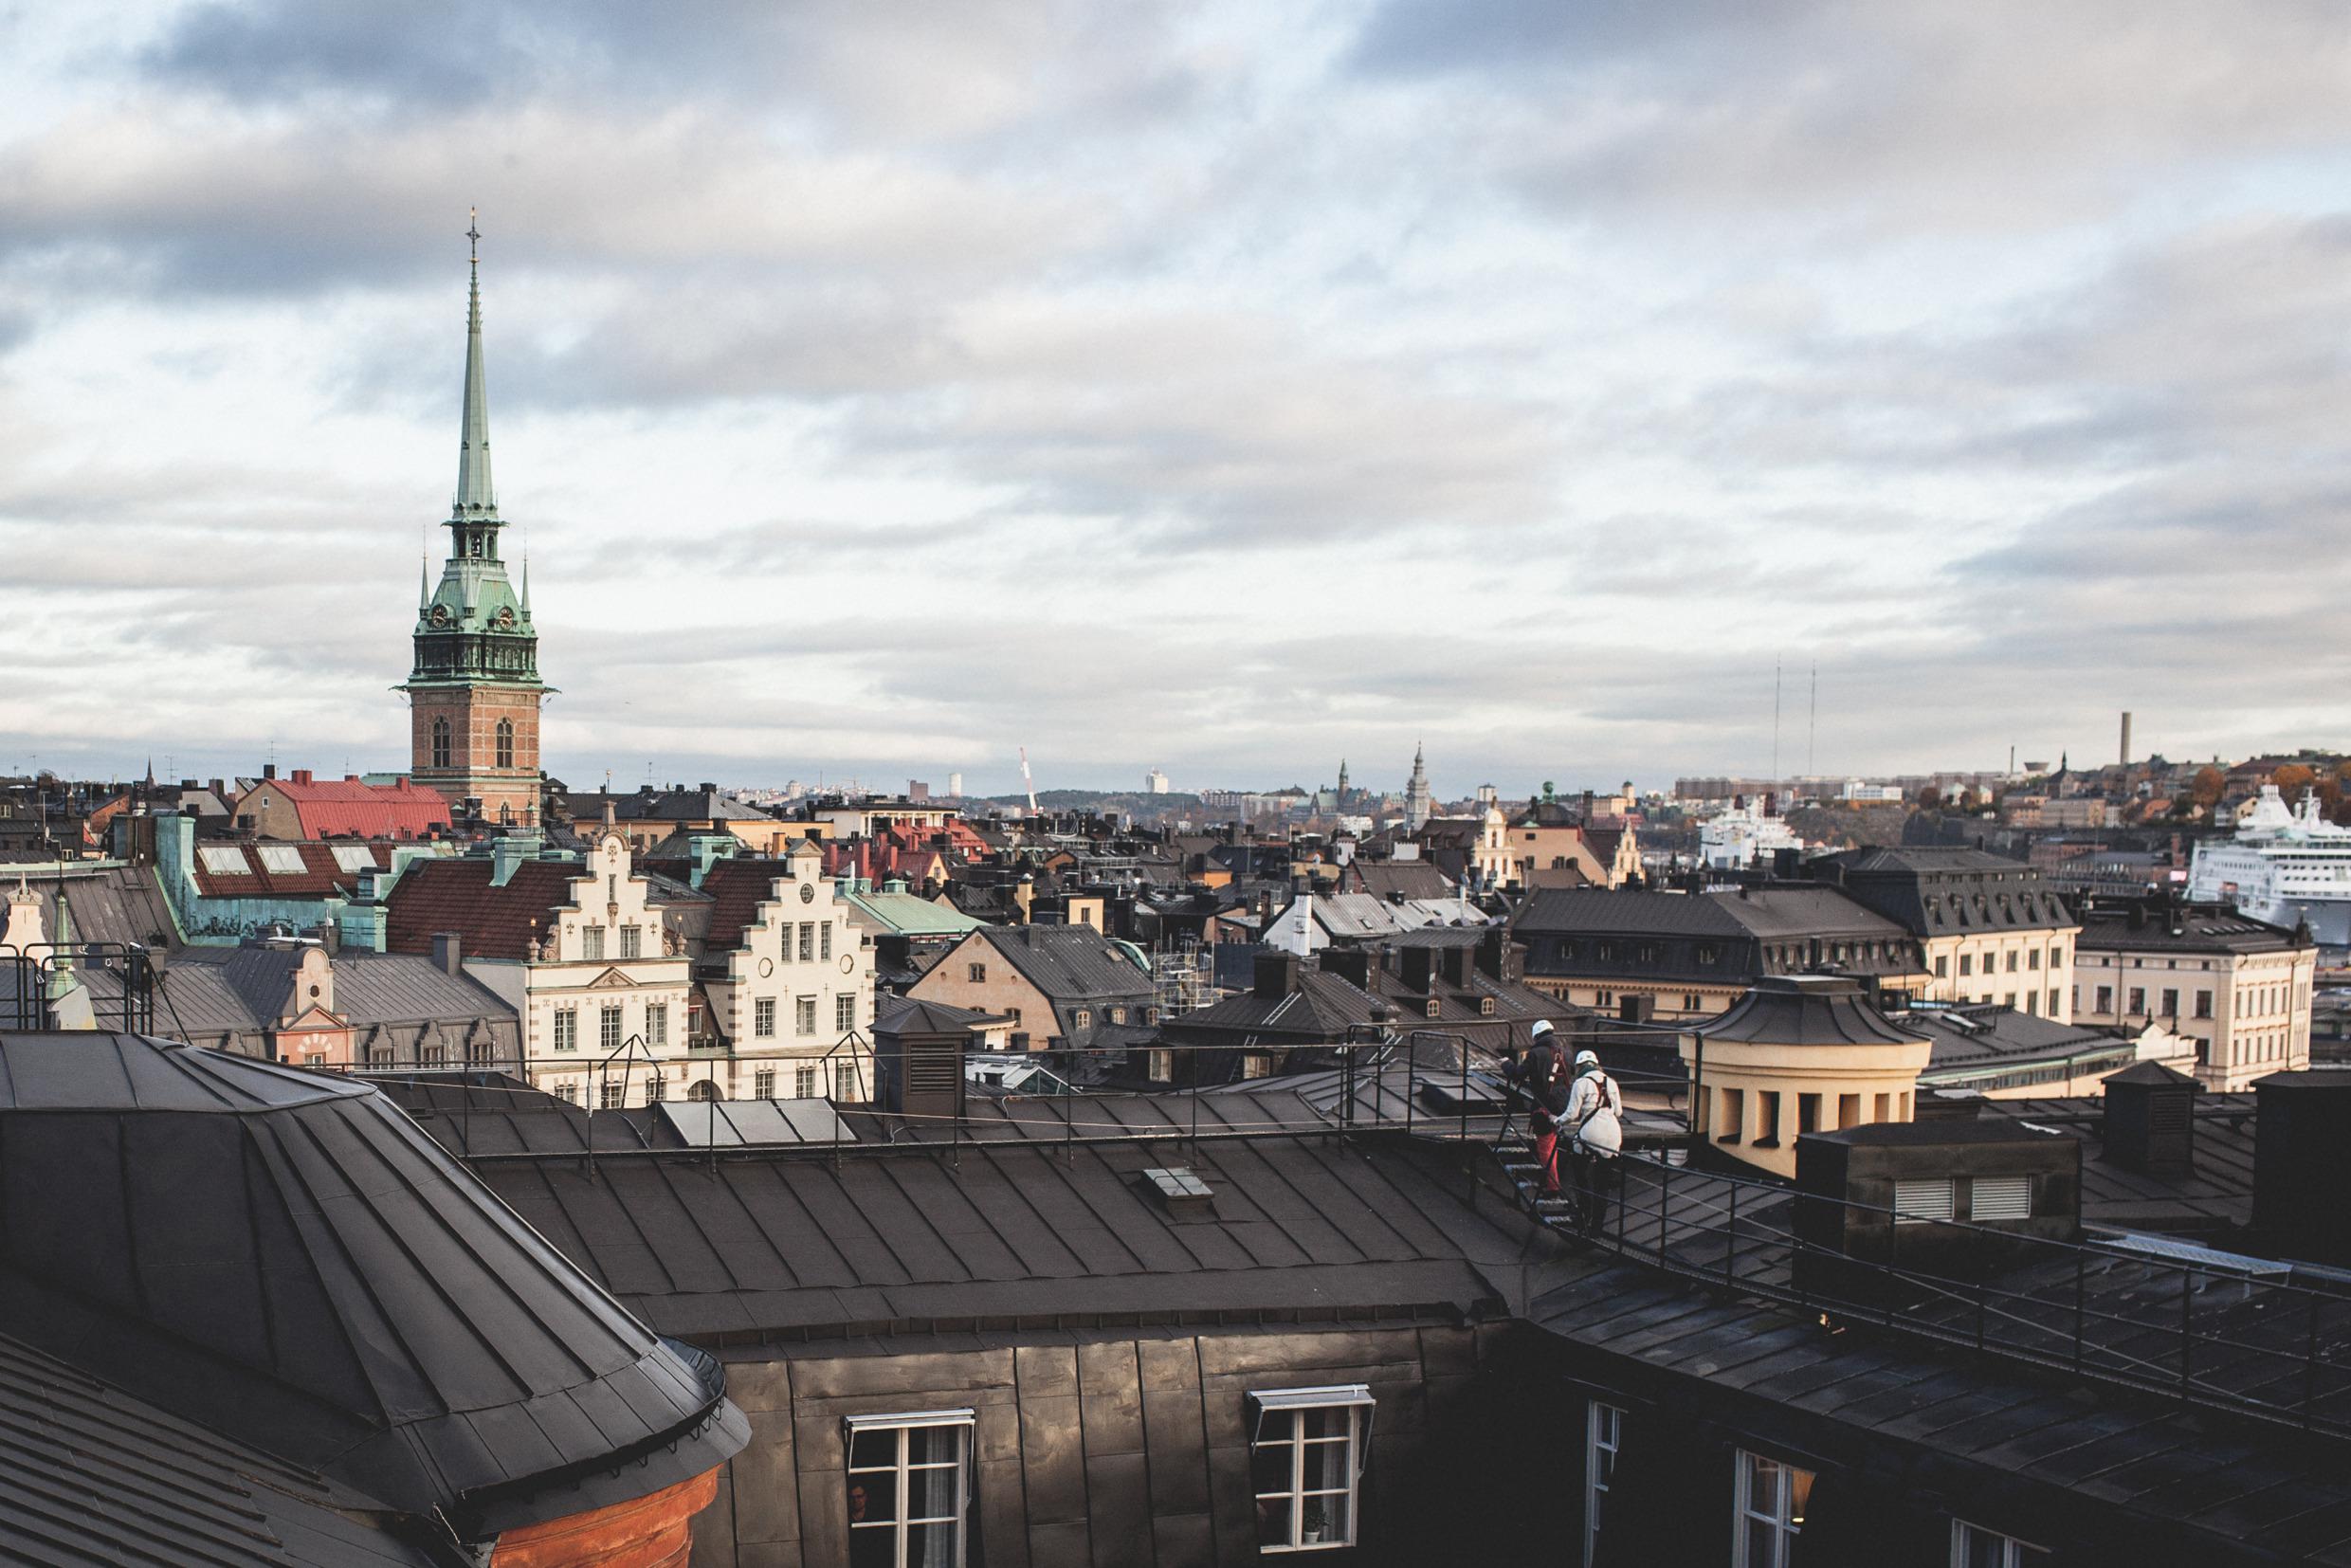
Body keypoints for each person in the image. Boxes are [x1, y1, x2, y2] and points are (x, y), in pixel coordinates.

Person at [1501, 1019, 1572, 1195]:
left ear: (1537, 1036)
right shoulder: (1566, 1053)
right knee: (1552, 1144)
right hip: (1563, 1105)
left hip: (1544, 1106)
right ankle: (1551, 1180)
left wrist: (1506, 1064)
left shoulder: (1536, 1054)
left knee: (1545, 1147)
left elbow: (1517, 1075)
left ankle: (1553, 1186)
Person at [1561, 1048, 1623, 1232]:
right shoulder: (1611, 1082)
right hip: (1613, 1134)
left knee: (1580, 1169)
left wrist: (1556, 1120)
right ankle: (1597, 1226)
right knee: (1602, 1183)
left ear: (1579, 1066)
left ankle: (1584, 1210)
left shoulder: (1580, 1083)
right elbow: (1619, 1112)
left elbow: (1571, 1114)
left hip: (1590, 1132)